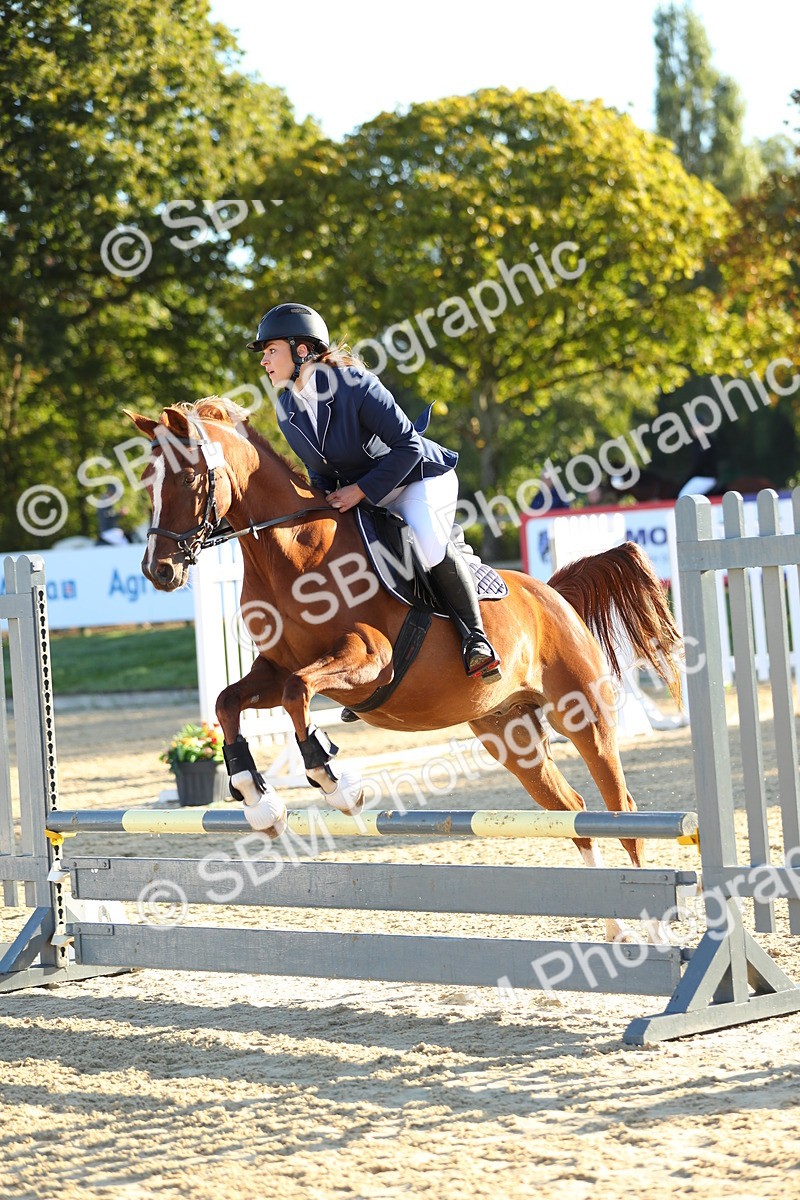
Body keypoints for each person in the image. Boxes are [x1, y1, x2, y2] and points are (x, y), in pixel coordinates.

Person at [247, 302, 500, 680]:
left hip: (415, 478)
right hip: (361, 492)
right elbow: (320, 471)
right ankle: (360, 666)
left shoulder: (355, 386)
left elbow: (409, 447)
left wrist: (359, 491)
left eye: (271, 351)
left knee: (427, 544)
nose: (264, 362)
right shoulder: (287, 408)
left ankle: (475, 640)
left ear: (302, 351)